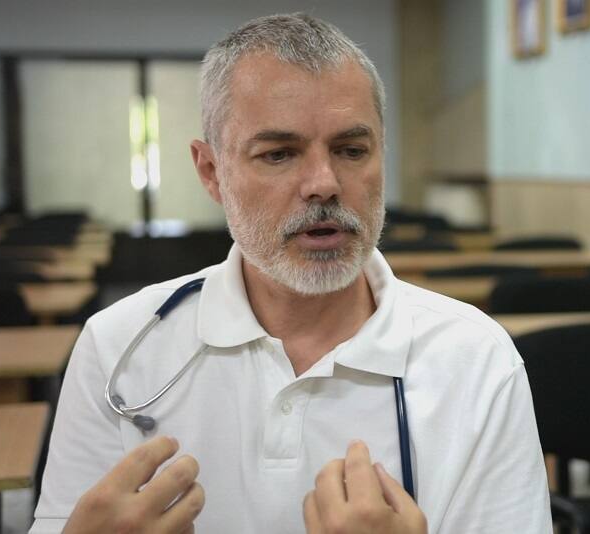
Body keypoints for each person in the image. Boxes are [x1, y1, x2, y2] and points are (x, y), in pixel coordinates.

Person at [31, 13, 551, 533]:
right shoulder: (117, 345)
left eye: (351, 150)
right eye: (278, 154)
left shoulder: (477, 359)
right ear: (211, 172)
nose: (324, 183)